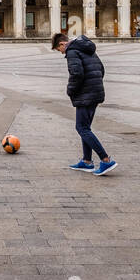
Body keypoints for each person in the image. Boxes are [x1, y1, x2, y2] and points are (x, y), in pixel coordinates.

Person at [53, 33, 117, 176]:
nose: (61, 52)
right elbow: (101, 69)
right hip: (94, 92)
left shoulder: (72, 52)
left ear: (62, 44)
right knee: (85, 127)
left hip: (86, 94)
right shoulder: (86, 48)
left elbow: (77, 74)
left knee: (81, 128)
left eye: (59, 50)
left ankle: (106, 160)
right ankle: (87, 162)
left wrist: (70, 90)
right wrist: (94, 84)